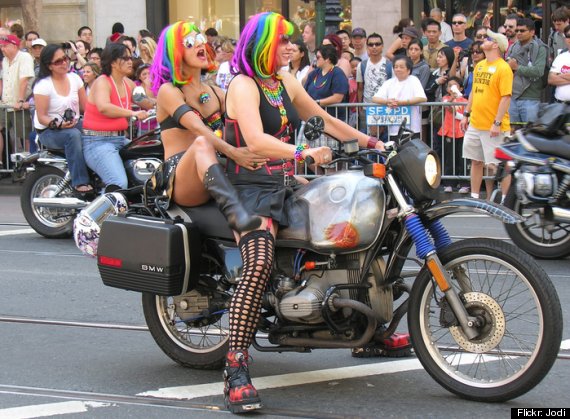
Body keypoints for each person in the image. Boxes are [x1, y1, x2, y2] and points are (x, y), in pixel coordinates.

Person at [223, 11, 385, 413]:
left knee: (349, 220)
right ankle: (236, 366)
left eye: (291, 40)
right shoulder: (243, 85)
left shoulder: (284, 81)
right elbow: (256, 139)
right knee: (258, 264)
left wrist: (371, 141)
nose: (290, 45)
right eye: (282, 40)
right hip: (249, 188)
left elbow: (324, 118)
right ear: (262, 45)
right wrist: (301, 152)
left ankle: (366, 328)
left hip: (283, 182)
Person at [149, 21, 264, 231]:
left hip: (216, 166)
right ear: (175, 52)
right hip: (180, 177)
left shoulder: (215, 92)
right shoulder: (169, 91)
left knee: (297, 181)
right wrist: (234, 153)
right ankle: (234, 212)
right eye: (190, 43)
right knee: (202, 142)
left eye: (201, 39)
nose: (200, 45)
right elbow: (197, 129)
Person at [82, 43, 149, 190]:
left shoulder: (128, 83)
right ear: (112, 62)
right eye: (125, 58)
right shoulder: (102, 82)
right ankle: (101, 212)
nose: (130, 61)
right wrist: (133, 113)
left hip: (119, 139)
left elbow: (145, 102)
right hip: (98, 142)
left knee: (146, 166)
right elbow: (104, 107)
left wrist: (169, 102)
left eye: (130, 57)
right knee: (118, 183)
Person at [461, 29, 512, 202]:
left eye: (488, 38)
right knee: (476, 161)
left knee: (498, 165)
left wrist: (497, 122)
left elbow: (506, 97)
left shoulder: (503, 68)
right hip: (476, 122)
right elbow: (474, 93)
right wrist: (466, 114)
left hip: (494, 124)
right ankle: (474, 198)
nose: (483, 40)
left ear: (496, 44)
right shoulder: (480, 65)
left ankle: (507, 199)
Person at [33, 44, 92, 194]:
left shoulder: (75, 79)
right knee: (73, 136)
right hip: (48, 131)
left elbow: (87, 107)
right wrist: (58, 124)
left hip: (73, 124)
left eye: (65, 58)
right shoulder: (43, 85)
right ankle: (80, 182)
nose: (64, 63)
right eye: (58, 61)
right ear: (49, 66)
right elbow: (42, 117)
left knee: (95, 131)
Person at [506, 18, 547, 130]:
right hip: (512, 97)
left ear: (532, 32)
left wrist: (516, 67)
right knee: (512, 133)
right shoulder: (513, 47)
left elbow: (538, 71)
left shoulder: (540, 48)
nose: (519, 33)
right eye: (517, 30)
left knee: (530, 134)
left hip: (530, 99)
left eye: (522, 31)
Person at [372, 55, 427, 140]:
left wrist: (402, 103)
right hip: (394, 126)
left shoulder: (414, 80)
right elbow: (375, 98)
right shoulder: (389, 82)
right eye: (396, 67)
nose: (398, 69)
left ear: (408, 70)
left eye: (401, 67)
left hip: (411, 127)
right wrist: (387, 101)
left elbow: (422, 98)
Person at [0, 34, 35, 159]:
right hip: (6, 103)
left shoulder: (25, 57)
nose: (2, 49)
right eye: (1, 46)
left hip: (20, 104)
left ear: (14, 46)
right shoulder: (4, 60)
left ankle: (28, 163)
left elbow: (24, 80)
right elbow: (4, 80)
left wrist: (20, 100)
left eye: (5, 46)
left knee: (24, 134)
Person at [356, 33, 392, 136]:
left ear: (382, 46)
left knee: (385, 139)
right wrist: (360, 107)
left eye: (377, 44)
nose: (374, 47)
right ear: (367, 47)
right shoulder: (361, 65)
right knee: (368, 139)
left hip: (386, 107)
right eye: (371, 44)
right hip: (367, 107)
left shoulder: (389, 65)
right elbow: (360, 88)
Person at [437, 76, 468, 193]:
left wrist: (460, 116)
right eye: (449, 86)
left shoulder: (465, 101)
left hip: (462, 132)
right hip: (449, 132)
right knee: (449, 158)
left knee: (463, 158)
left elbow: (466, 115)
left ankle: (465, 183)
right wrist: (452, 99)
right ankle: (449, 183)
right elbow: (447, 107)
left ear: (460, 87)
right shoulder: (446, 98)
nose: (452, 88)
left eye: (455, 85)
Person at [304, 44, 349, 122]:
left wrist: (317, 103)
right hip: (313, 118)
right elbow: (305, 92)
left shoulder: (337, 73)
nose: (315, 59)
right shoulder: (314, 73)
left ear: (327, 59)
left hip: (332, 119)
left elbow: (338, 97)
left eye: (318, 57)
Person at [548, 24, 570, 104]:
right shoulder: (561, 56)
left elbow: (555, 78)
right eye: (568, 36)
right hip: (560, 105)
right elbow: (551, 79)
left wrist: (559, 76)